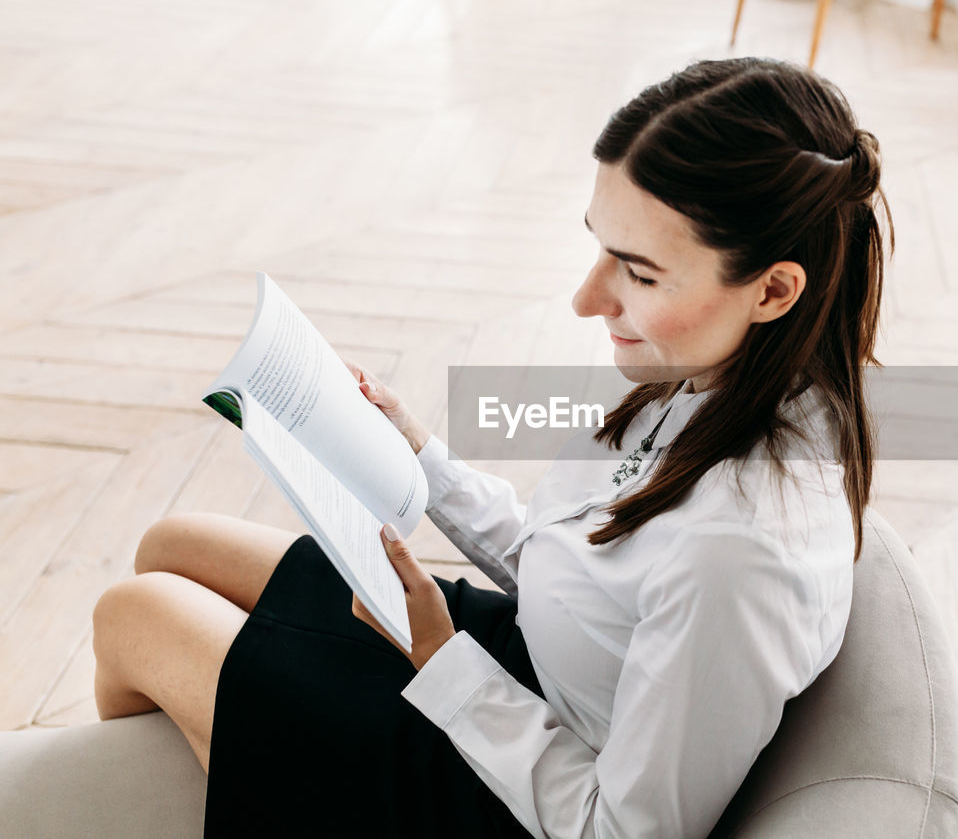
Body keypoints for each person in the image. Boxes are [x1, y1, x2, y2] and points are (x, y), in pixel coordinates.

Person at [90, 55, 892, 839]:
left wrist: (441, 658)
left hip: (521, 786)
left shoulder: (739, 552)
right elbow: (583, 568)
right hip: (532, 671)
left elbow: (624, 828)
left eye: (639, 273)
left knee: (135, 615)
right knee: (174, 544)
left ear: (775, 289)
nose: (588, 298)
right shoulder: (720, 378)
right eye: (600, 246)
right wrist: (419, 459)